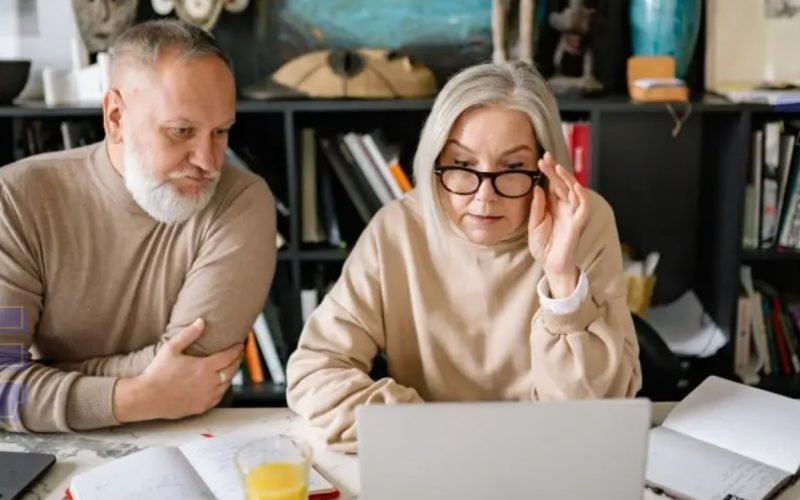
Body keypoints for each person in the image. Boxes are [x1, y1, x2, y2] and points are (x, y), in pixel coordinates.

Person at [286, 61, 641, 453]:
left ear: (544, 168)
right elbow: (314, 371)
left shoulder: (582, 221)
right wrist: (433, 430)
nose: (483, 197)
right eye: (462, 165)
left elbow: (595, 411)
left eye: (513, 167)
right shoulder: (398, 227)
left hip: (548, 456)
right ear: (435, 160)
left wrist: (561, 280)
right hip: (431, 454)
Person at [0, 20, 276, 432]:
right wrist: (133, 398)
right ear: (115, 117)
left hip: (193, 438)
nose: (208, 161)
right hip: (51, 446)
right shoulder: (16, 199)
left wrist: (43, 374)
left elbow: (196, 370)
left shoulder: (241, 201)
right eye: (181, 131)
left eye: (220, 132)